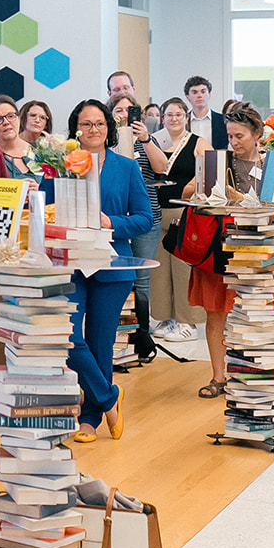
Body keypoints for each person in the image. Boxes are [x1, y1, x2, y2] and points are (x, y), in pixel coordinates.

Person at [65, 99, 153, 444]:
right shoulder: (61, 166)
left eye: (99, 123)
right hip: (71, 264)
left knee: (100, 343)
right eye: (86, 124)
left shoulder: (126, 167)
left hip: (113, 265)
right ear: (76, 129)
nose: (93, 130)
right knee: (67, 336)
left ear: (109, 128)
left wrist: (111, 223)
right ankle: (109, 398)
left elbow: (144, 219)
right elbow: (48, 208)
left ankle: (89, 419)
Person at [182, 103, 267, 398]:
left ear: (257, 134)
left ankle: (248, 375)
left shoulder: (270, 165)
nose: (233, 142)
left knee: (252, 315)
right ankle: (218, 377)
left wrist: (240, 199)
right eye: (230, 136)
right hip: (216, 249)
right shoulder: (218, 161)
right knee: (215, 313)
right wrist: (207, 188)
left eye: (239, 136)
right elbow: (186, 192)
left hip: (255, 249)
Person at [108, 91, 166, 361]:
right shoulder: (106, 142)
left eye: (129, 111)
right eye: (118, 110)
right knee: (117, 276)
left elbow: (162, 167)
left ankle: (142, 336)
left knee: (141, 279)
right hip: (113, 219)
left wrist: (145, 139)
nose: (124, 115)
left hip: (145, 216)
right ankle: (117, 336)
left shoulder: (147, 139)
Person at [149, 98, 204, 342]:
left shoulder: (197, 142)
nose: (174, 119)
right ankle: (165, 318)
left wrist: (186, 191)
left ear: (186, 117)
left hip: (184, 212)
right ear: (162, 118)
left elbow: (207, 173)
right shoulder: (153, 142)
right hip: (156, 211)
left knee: (184, 269)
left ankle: (187, 321)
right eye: (169, 115)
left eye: (179, 114)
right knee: (159, 270)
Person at [183, 75, 228, 149]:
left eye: (203, 92)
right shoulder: (183, 122)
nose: (199, 95)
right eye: (194, 92)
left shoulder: (223, 120)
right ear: (188, 97)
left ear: (209, 95)